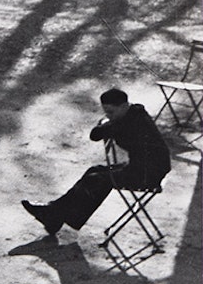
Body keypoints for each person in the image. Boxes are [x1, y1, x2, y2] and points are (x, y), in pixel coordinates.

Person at [22, 88, 170, 235]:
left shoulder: (129, 122)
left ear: (124, 106)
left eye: (111, 112)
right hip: (144, 168)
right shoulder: (134, 113)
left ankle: (55, 215)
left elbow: (95, 134)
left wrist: (106, 123)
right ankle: (56, 215)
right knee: (94, 171)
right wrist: (109, 121)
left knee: (97, 179)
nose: (108, 116)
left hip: (148, 175)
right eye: (106, 112)